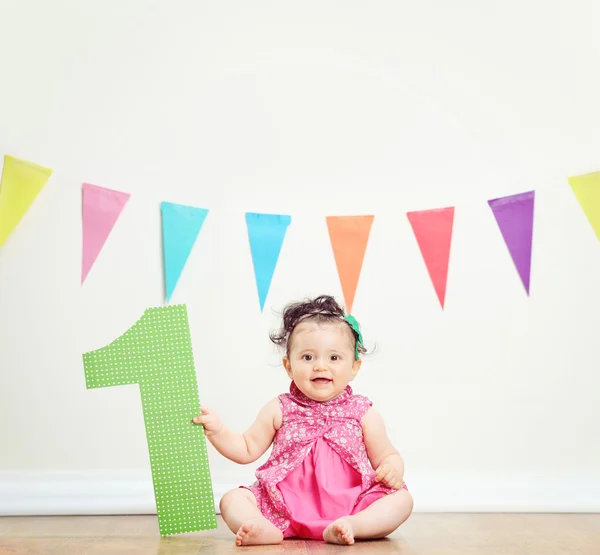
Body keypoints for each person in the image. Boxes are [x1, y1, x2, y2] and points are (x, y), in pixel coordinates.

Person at [192, 295, 413, 546]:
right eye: (308, 357)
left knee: (402, 499)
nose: (320, 366)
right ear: (288, 366)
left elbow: (387, 455)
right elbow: (246, 448)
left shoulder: (362, 412)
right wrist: (217, 431)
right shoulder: (279, 408)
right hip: (283, 506)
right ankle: (265, 528)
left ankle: (353, 526)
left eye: (334, 358)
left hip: (352, 505)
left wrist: (393, 469)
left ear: (354, 367)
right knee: (232, 499)